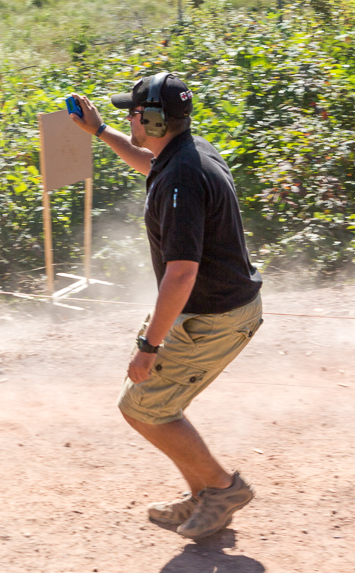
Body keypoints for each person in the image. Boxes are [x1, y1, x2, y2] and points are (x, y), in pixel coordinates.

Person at [69, 72, 264, 539]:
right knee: (150, 404)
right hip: (211, 311)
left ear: (155, 119)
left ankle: (222, 489)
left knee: (144, 406)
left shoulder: (182, 178)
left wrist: (148, 344)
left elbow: (181, 273)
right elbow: (147, 163)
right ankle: (204, 497)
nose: (130, 120)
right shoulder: (186, 154)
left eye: (133, 114)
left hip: (212, 317)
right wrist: (100, 132)